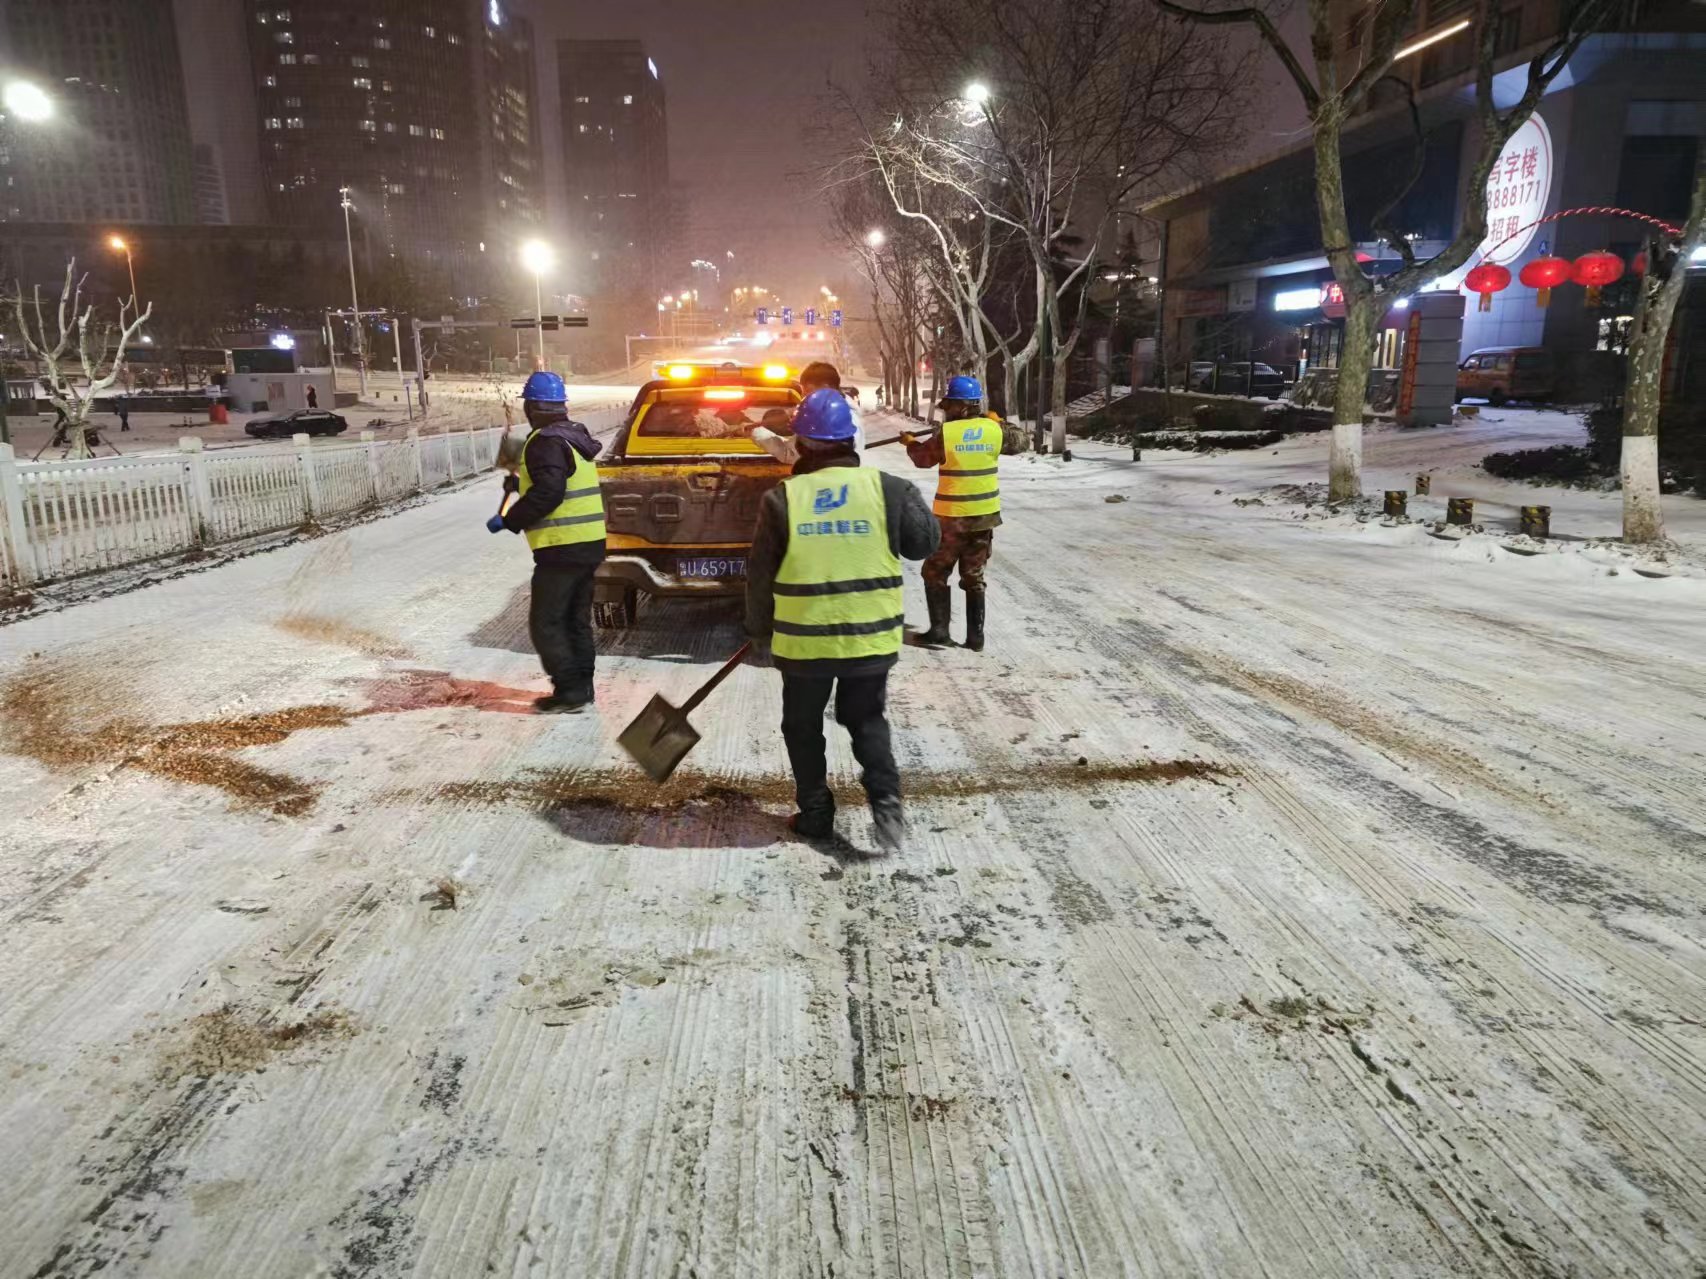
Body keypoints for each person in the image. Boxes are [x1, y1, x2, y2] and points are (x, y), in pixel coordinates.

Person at [746, 387, 939, 851]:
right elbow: (924, 544)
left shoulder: (783, 498)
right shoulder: (889, 489)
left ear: (802, 443)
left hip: (804, 644)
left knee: (802, 725)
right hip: (870, 639)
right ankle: (887, 803)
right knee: (866, 718)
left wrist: (759, 632)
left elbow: (759, 576)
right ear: (849, 439)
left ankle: (816, 814)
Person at [486, 370, 607, 714]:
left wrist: (510, 520)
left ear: (533, 407)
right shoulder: (572, 436)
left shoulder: (544, 442)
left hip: (561, 545)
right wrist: (519, 485)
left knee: (547, 621)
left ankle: (569, 690)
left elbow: (551, 492)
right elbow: (558, 481)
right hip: (588, 543)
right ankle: (583, 687)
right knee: (575, 620)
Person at [903, 375, 1021, 652]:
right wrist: (1000, 421)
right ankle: (975, 638)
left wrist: (910, 443)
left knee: (934, 571)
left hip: (951, 518)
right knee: (974, 575)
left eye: (950, 406)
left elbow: (923, 459)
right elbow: (1021, 442)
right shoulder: (994, 430)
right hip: (983, 517)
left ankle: (939, 632)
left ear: (962, 406)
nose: (947, 411)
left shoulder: (949, 434)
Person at [752, 361, 864, 464]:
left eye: (808, 390)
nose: (804, 396)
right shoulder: (846, 413)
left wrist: (755, 432)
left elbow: (791, 454)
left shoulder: (826, 419)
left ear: (826, 388)